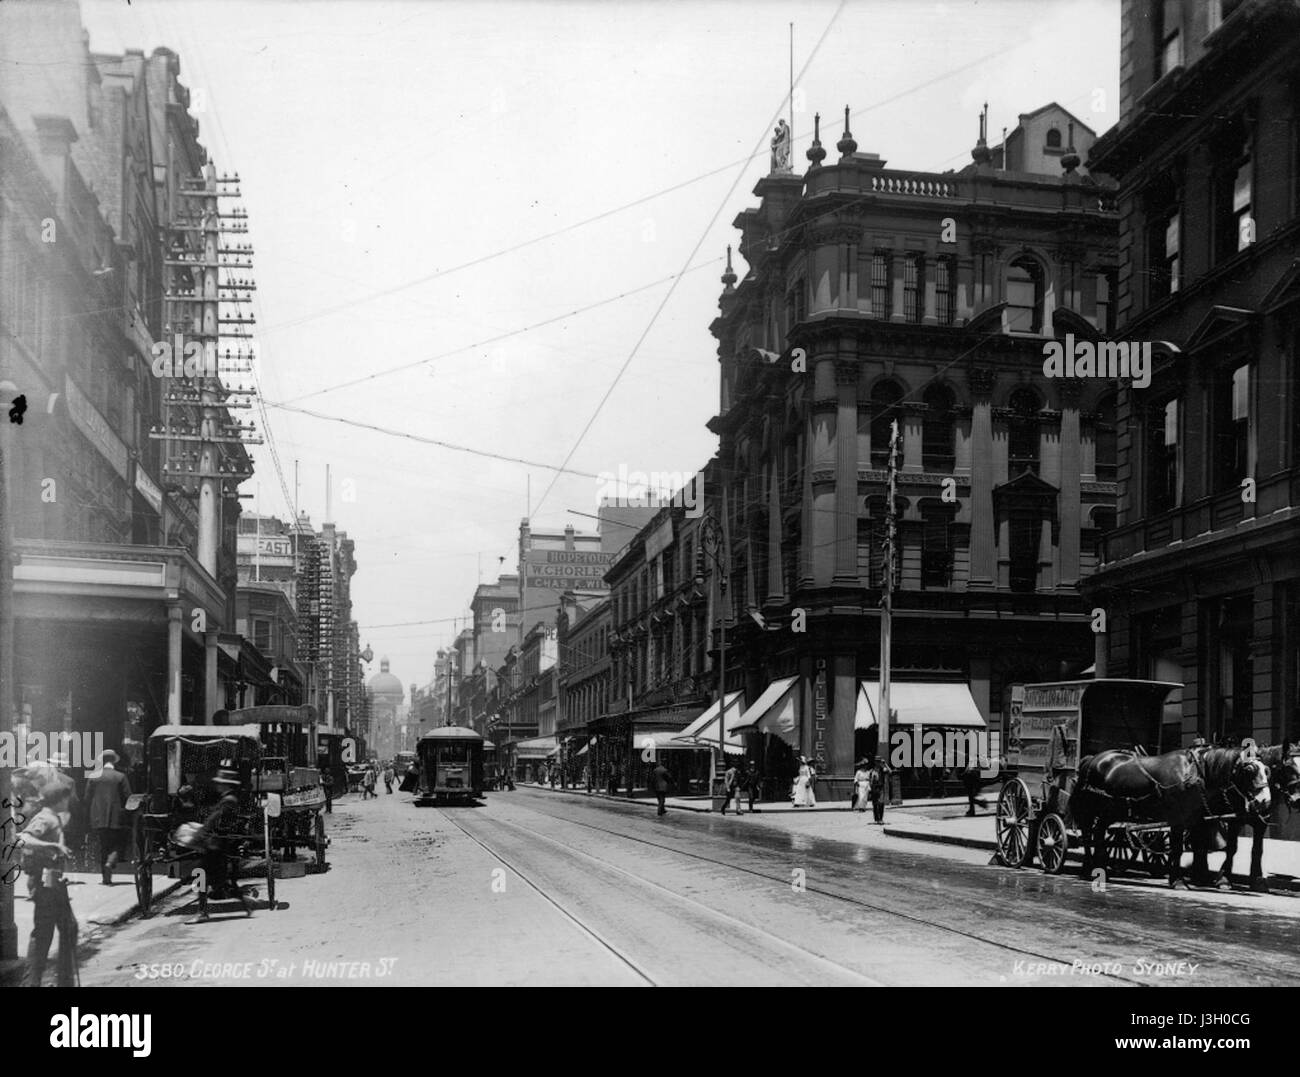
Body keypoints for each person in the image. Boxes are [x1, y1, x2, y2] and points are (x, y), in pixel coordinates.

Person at [18, 783, 78, 987]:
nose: (69, 801)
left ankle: (64, 980)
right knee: (43, 934)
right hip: (45, 885)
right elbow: (23, 839)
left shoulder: (54, 817)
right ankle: (32, 983)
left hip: (54, 882)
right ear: (60, 799)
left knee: (68, 927)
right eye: (67, 798)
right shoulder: (45, 818)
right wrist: (51, 845)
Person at [192, 768, 252, 922]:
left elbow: (214, 820)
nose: (218, 786)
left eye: (220, 784)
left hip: (217, 845)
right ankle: (245, 903)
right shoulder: (227, 799)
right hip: (218, 843)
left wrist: (200, 833)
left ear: (226, 785)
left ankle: (202, 912)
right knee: (219, 882)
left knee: (200, 874)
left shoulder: (228, 801)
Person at [86, 749, 132, 886]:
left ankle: (106, 878)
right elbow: (128, 796)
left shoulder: (93, 776)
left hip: (98, 817)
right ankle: (110, 862)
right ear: (114, 761)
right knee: (118, 843)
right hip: (116, 817)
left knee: (103, 845)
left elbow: (87, 798)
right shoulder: (120, 776)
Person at [869, 759, 891, 824]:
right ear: (875, 762)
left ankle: (881, 819)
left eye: (879, 761)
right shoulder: (872, 770)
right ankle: (876, 819)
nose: (878, 763)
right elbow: (870, 780)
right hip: (874, 788)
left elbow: (890, 772)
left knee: (881, 803)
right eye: (877, 761)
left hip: (881, 787)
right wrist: (870, 788)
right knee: (875, 804)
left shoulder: (883, 769)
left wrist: (885, 764)